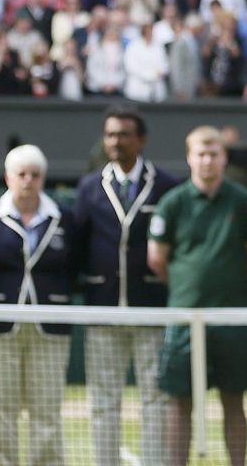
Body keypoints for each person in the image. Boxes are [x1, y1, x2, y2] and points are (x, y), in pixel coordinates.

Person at [148, 126, 247, 466]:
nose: (207, 160)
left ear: (224, 157)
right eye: (200, 154)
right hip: (184, 319)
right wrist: (188, 287)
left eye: (214, 153)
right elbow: (157, 259)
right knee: (180, 402)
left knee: (234, 399)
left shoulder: (243, 201)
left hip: (232, 318)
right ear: (189, 158)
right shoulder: (173, 202)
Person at [72, 108, 180, 466]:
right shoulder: (89, 187)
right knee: (103, 400)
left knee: (155, 397)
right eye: (110, 134)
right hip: (103, 307)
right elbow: (79, 243)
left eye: (123, 134)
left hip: (151, 306)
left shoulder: (166, 185)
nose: (115, 142)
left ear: (141, 139)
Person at [0, 143, 76, 466]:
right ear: (8, 177)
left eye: (35, 175)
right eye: (22, 174)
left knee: (46, 410)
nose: (28, 181)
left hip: (49, 326)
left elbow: (73, 267)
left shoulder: (64, 218)